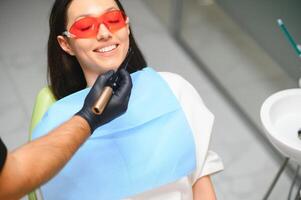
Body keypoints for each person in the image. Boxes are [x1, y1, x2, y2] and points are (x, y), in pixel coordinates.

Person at [31, 0, 224, 199]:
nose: (104, 33)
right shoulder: (55, 127)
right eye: (86, 26)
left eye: (113, 19)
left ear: (127, 26)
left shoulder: (174, 89)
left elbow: (200, 181)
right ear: (66, 44)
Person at [0, 69, 132, 200]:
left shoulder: (151, 83)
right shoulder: (53, 118)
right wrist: (88, 118)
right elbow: (11, 180)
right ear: (66, 46)